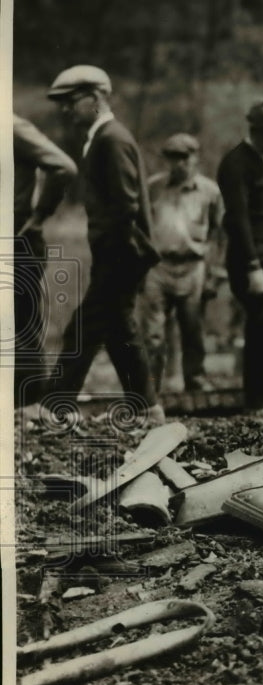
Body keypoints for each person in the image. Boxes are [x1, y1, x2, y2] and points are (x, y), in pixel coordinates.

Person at [41, 65, 164, 426]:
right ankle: (148, 408)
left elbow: (126, 205)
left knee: (86, 327)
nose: (65, 109)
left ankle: (53, 407)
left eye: (71, 101)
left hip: (119, 253)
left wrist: (115, 256)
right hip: (117, 252)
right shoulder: (104, 137)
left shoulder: (111, 138)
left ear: (94, 98)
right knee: (114, 329)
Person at [217, 100, 263, 411]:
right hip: (256, 261)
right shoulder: (237, 163)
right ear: (256, 132)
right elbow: (238, 218)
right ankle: (259, 400)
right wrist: (252, 266)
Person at [140, 133, 224, 393]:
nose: (177, 164)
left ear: (195, 158)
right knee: (153, 333)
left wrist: (215, 271)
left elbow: (220, 234)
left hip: (193, 266)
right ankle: (151, 388)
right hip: (159, 266)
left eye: (183, 158)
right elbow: (140, 227)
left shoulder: (210, 192)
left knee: (193, 329)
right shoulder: (153, 187)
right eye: (172, 158)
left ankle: (195, 381)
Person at [13, 114, 78, 409]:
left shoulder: (11, 126)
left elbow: (63, 167)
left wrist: (39, 216)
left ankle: (27, 408)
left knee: (21, 326)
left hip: (17, 238)